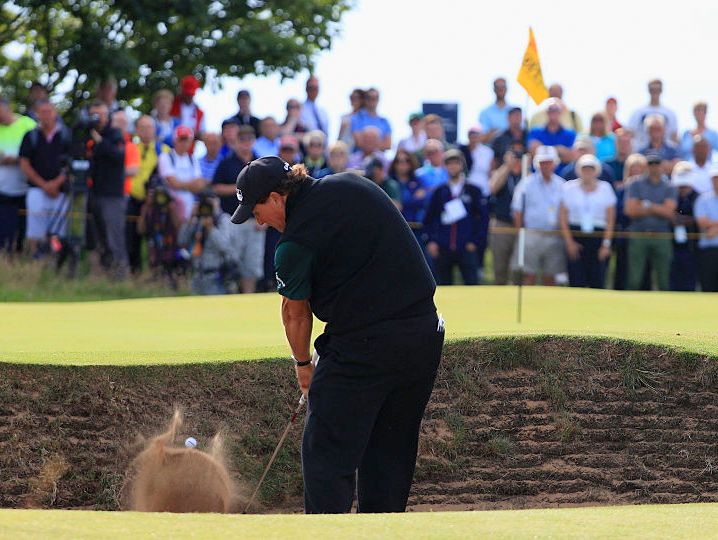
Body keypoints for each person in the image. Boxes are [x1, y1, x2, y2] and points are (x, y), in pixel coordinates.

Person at [229, 156, 443, 514]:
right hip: (423, 335)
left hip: (364, 346)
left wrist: (303, 366)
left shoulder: (293, 245)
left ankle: (326, 531)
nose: (259, 221)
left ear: (276, 198)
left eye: (257, 210)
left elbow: (294, 313)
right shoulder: (350, 183)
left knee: (326, 450)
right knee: (389, 448)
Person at [212, 124, 263, 294]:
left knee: (252, 265)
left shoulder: (261, 163)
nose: (246, 143)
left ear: (254, 141)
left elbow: (269, 193)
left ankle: (248, 298)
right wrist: (240, 187)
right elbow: (216, 188)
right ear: (236, 141)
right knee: (232, 262)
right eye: (242, 139)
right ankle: (232, 297)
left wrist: (265, 221)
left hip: (256, 221)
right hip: (231, 220)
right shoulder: (226, 163)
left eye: (249, 139)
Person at [423, 149, 483, 285]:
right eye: (449, 163)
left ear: (462, 165)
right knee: (443, 287)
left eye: (456, 163)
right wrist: (431, 241)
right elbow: (428, 219)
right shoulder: (439, 192)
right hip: (442, 248)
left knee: (472, 285)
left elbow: (482, 219)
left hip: (466, 247)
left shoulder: (473, 190)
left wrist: (475, 241)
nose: (453, 166)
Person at [19, 100, 70, 257]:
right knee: (36, 229)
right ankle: (36, 261)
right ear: (37, 114)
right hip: (37, 190)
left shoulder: (67, 135)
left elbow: (73, 162)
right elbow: (24, 163)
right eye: (42, 112)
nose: (46, 115)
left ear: (55, 113)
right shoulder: (31, 136)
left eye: (49, 111)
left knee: (58, 230)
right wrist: (44, 185)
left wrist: (56, 183)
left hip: (60, 192)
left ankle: (55, 259)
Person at [559, 154, 617, 288]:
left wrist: (606, 244)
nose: (587, 172)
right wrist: (569, 243)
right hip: (576, 234)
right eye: (584, 168)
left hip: (598, 236)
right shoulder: (569, 188)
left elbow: (610, 219)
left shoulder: (605, 188)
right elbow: (563, 217)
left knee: (597, 278)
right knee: (576, 278)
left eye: (590, 169)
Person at [511, 146, 565, 286]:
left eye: (549, 162)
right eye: (543, 162)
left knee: (550, 277)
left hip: (554, 235)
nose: (546, 165)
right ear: (537, 164)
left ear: (555, 163)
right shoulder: (526, 183)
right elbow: (517, 211)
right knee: (529, 276)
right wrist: (521, 234)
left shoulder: (561, 184)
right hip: (531, 234)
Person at [624, 153, 678, 290]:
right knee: (634, 278)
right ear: (646, 166)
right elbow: (630, 210)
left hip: (661, 235)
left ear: (662, 166)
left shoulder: (669, 186)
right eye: (651, 164)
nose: (654, 167)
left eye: (657, 164)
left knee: (663, 279)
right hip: (639, 234)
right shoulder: (635, 183)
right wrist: (659, 207)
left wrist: (646, 204)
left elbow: (668, 212)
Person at [86, 101, 127, 277]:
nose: (97, 119)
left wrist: (99, 140)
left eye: (100, 115)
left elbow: (118, 156)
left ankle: (121, 276)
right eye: (93, 115)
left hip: (112, 196)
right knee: (99, 237)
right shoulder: (86, 134)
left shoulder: (115, 134)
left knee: (114, 237)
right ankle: (103, 274)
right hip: (94, 193)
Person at [126, 115, 170, 274]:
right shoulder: (130, 148)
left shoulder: (164, 150)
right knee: (131, 239)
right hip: (133, 200)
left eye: (149, 127)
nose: (145, 131)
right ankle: (134, 273)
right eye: (142, 127)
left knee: (155, 240)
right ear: (137, 130)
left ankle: (156, 274)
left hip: (155, 203)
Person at [0, 97, 36, 253]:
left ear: (8, 109)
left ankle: (21, 256)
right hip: (2, 189)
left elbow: (40, 152)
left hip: (24, 187)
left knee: (22, 227)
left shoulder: (28, 125)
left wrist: (17, 160)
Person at [178, 193, 233, 295]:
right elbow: (181, 241)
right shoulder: (196, 219)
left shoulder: (222, 219)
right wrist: (190, 219)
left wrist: (211, 229)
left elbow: (225, 247)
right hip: (196, 275)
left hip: (215, 276)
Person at [613, 153, 648, 290]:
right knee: (622, 268)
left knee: (644, 271)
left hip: (643, 234)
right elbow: (619, 212)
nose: (636, 172)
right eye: (633, 168)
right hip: (625, 235)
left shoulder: (649, 190)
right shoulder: (621, 191)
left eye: (640, 168)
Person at [158, 125, 206, 222]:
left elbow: (200, 184)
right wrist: (191, 185)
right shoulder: (165, 157)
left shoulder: (193, 159)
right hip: (172, 205)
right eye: (181, 139)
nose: (184, 143)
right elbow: (173, 183)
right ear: (175, 140)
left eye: (187, 140)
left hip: (192, 204)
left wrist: (181, 184)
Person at [488, 150, 522, 285]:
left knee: (518, 267)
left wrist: (525, 166)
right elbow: (493, 187)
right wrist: (507, 166)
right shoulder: (502, 172)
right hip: (502, 223)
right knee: (500, 265)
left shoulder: (526, 175)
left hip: (520, 225)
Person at [669, 162, 699, 291]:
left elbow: (699, 219)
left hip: (692, 246)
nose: (682, 188)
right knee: (673, 279)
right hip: (672, 245)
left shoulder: (698, 197)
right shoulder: (671, 195)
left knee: (690, 280)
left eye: (685, 186)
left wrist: (682, 220)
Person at [628, 79, 678, 148]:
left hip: (665, 153)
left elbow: (674, 136)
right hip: (642, 151)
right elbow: (631, 133)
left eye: (657, 89)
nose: (655, 92)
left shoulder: (670, 113)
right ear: (648, 90)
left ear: (661, 91)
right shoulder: (638, 113)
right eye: (652, 89)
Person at [527, 99, 576, 164]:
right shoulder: (535, 132)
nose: (553, 113)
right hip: (539, 173)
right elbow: (532, 152)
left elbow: (570, 157)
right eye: (550, 110)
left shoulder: (570, 134)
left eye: (556, 110)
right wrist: (559, 151)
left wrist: (542, 149)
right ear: (546, 113)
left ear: (560, 113)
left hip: (562, 173)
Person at [694, 167, 718, 291]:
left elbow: (709, 227)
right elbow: (702, 223)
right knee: (708, 286)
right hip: (708, 250)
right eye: (715, 179)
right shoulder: (703, 199)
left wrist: (714, 229)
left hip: (711, 240)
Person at [111, 110, 140, 197]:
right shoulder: (101, 141)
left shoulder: (131, 146)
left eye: (124, 122)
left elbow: (133, 170)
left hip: (121, 193)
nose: (121, 125)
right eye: (118, 121)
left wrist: (107, 172)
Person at [460, 125, 495, 196]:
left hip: (483, 188)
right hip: (464, 189)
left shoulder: (488, 152)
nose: (473, 137)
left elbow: (490, 172)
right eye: (471, 134)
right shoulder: (461, 150)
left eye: (476, 135)